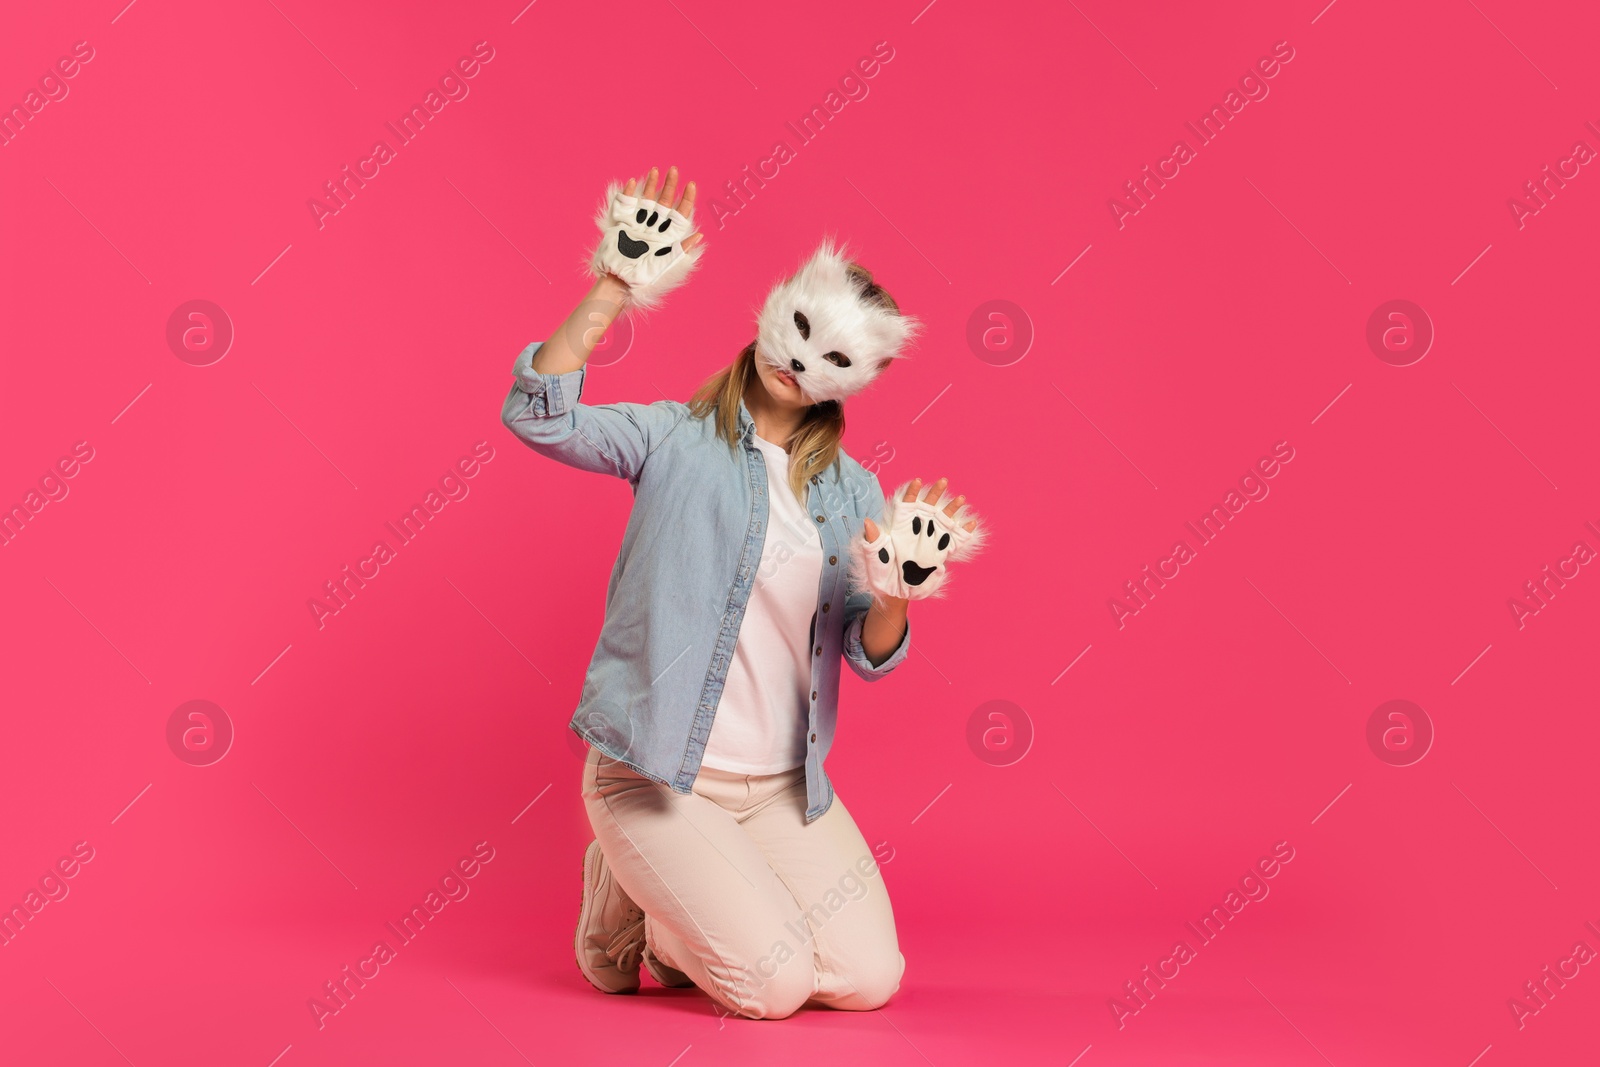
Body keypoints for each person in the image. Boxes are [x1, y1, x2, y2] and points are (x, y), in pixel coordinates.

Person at [500, 165, 983, 1020]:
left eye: (833, 355)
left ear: (856, 377)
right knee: (773, 984)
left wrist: (900, 589)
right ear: (770, 310)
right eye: (798, 329)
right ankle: (637, 882)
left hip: (782, 789)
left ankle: (664, 895)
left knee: (870, 979)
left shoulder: (857, 494)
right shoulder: (671, 438)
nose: (801, 361)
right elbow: (543, 414)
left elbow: (872, 657)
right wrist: (615, 284)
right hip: (654, 775)